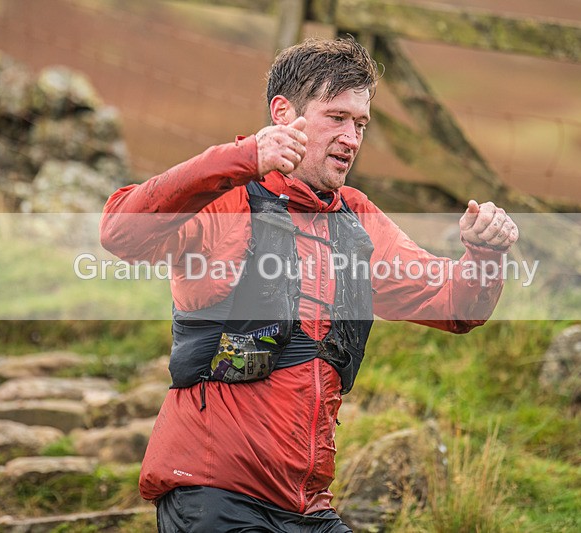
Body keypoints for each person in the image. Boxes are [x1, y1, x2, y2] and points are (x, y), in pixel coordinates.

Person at [100, 37, 518, 532]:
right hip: (212, 494)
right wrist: (242, 157)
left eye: (360, 123)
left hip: (308, 508)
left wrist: (484, 254)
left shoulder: (356, 218)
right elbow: (120, 233)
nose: (352, 138)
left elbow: (454, 305)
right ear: (283, 114)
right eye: (336, 117)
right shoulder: (227, 200)